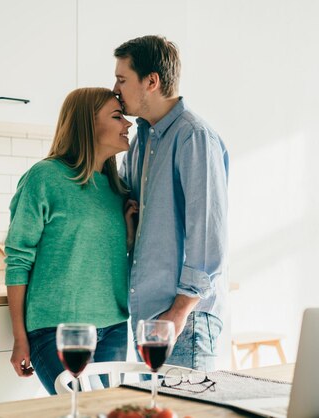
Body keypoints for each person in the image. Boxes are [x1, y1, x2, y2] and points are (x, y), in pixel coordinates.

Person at [4, 87, 135, 394]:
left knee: (106, 414)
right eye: (117, 117)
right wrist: (20, 337)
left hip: (114, 327)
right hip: (57, 330)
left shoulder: (117, 188)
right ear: (87, 125)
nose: (128, 124)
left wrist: (127, 239)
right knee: (82, 412)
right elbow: (17, 258)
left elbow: (96, 253)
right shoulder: (44, 178)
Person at [113, 35, 229, 371]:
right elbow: (124, 202)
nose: (115, 89)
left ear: (151, 81)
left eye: (122, 79)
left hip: (183, 322)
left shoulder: (193, 136)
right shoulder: (141, 141)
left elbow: (208, 236)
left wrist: (177, 314)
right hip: (149, 318)